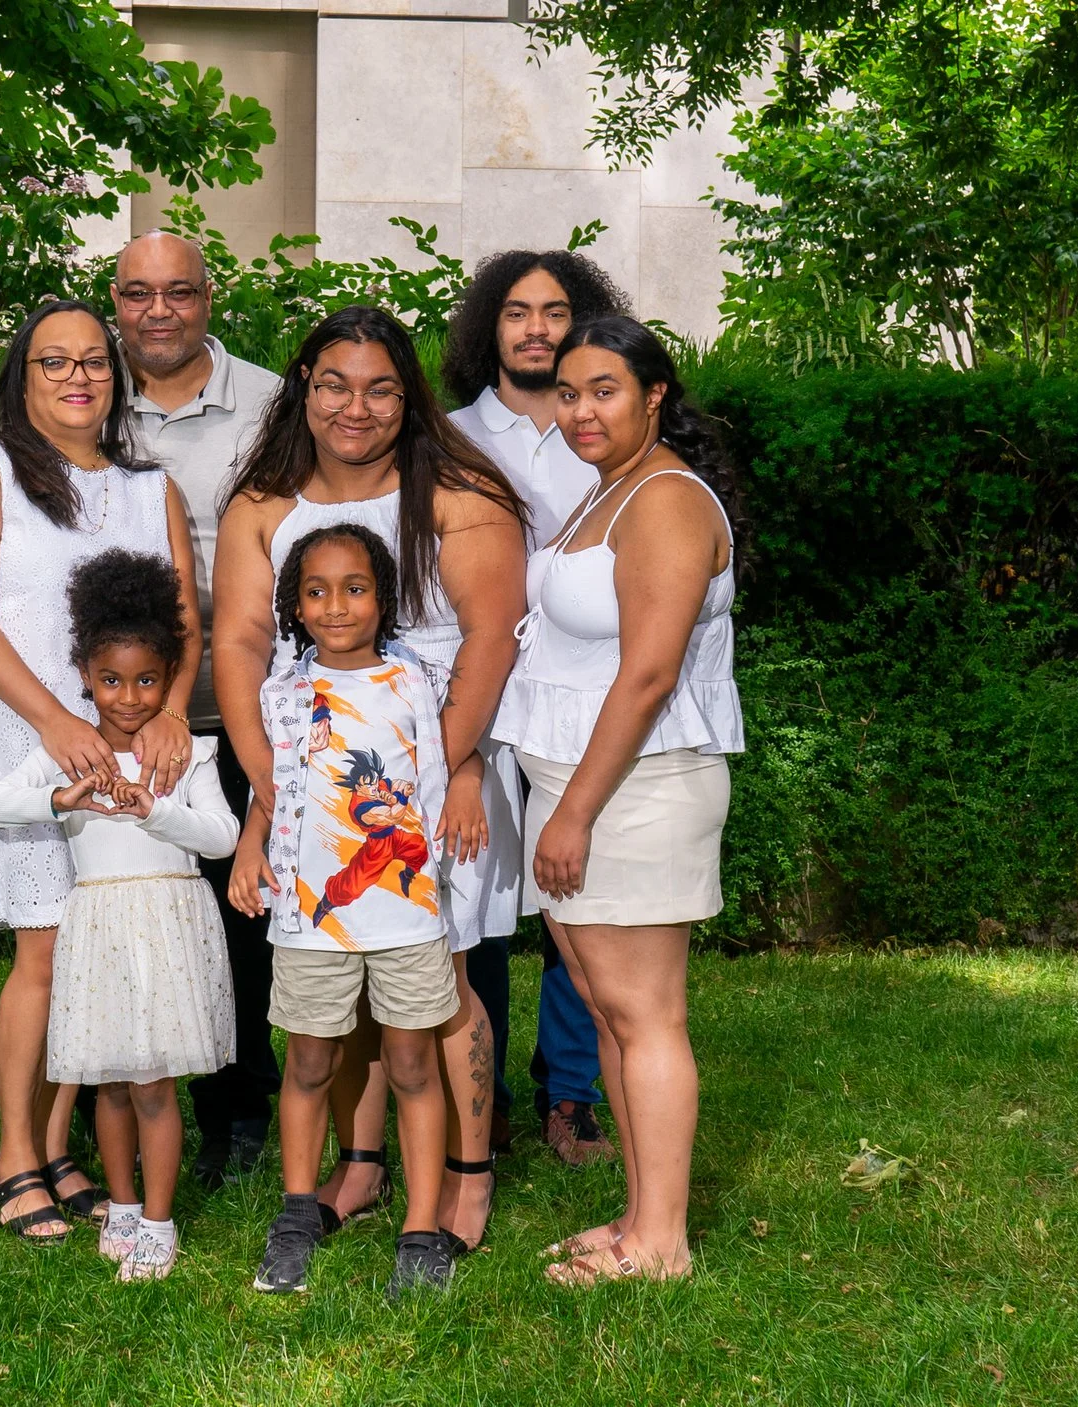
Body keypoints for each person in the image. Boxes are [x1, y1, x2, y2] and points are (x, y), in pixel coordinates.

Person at [211, 306, 527, 1261]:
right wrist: (274, 788)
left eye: (382, 386)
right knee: (334, 984)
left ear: (410, 394)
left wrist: (446, 766)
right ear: (302, 386)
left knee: (445, 977)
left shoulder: (459, 490)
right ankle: (360, 1158)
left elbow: (488, 635)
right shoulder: (263, 502)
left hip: (438, 763)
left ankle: (466, 1176)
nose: (359, 406)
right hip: (312, 767)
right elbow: (239, 640)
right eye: (336, 384)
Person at [0, 298, 202, 1244]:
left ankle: (57, 1144)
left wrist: (168, 711)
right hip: (25, 734)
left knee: (88, 949)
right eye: (54, 362)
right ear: (23, 377)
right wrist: (52, 722)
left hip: (126, 749)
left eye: (94, 360)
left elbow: (185, 628)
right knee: (43, 951)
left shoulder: (148, 488)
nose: (79, 376)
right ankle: (15, 1154)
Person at [490, 315, 746, 1284]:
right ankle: (641, 1217)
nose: (581, 409)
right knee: (605, 1008)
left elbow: (646, 676)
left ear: (652, 396)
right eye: (567, 392)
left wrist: (572, 813)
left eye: (603, 389)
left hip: (632, 790)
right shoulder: (609, 491)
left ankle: (662, 1245)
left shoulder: (667, 501)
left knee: (644, 1015)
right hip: (581, 784)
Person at [0, 549, 240, 1281]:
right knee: (112, 1081)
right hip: (100, 930)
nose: (128, 697)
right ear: (85, 675)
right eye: (111, 680)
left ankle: (159, 1219)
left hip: (166, 922)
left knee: (153, 1083)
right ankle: (120, 1205)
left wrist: (157, 809)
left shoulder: (191, 754)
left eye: (147, 680)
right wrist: (64, 798)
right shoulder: (72, 753)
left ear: (168, 677)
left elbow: (223, 838)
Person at [233, 523, 465, 1300]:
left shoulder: (415, 684)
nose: (336, 605)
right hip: (310, 916)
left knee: (410, 1063)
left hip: (406, 913)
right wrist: (248, 845)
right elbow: (279, 786)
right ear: (294, 605)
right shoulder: (283, 693)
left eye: (355, 588)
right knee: (307, 1062)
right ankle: (298, 1214)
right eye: (317, 590)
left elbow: (441, 769)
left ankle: (422, 1228)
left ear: (384, 597)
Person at [442, 249, 632, 1167]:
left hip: (573, 706)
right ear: (491, 327)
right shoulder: (445, 437)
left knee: (573, 896)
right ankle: (487, 1093)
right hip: (470, 702)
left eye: (555, 312)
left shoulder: (603, 434)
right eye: (517, 312)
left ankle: (573, 1095)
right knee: (471, 903)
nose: (536, 329)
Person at [110, 230, 287, 1188]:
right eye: (138, 294)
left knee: (239, 919)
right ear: (116, 301)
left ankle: (238, 1111)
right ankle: (125, 1106)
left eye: (178, 292)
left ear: (209, 298)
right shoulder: (87, 394)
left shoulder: (268, 403)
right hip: (121, 715)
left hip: (238, 707)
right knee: (130, 916)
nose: (159, 311)